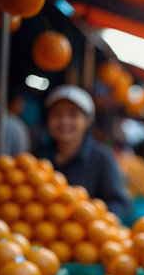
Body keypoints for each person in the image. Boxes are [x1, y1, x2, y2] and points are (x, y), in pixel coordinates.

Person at [34, 84, 131, 222]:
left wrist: (94, 220)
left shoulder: (103, 158)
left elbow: (119, 205)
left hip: (85, 237)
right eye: (57, 114)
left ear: (87, 121)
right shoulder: (38, 156)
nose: (64, 121)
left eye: (73, 115)